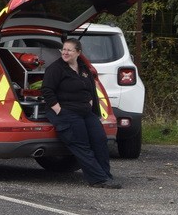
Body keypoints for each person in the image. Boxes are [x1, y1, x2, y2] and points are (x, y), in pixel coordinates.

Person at [43, 38, 120, 188]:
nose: (65, 53)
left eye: (69, 50)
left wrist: (91, 102)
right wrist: (59, 110)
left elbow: (91, 87)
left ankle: (106, 175)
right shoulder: (56, 68)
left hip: (85, 112)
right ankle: (98, 180)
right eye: (63, 49)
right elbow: (47, 90)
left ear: (78, 52)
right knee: (81, 145)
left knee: (100, 140)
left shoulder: (83, 68)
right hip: (67, 112)